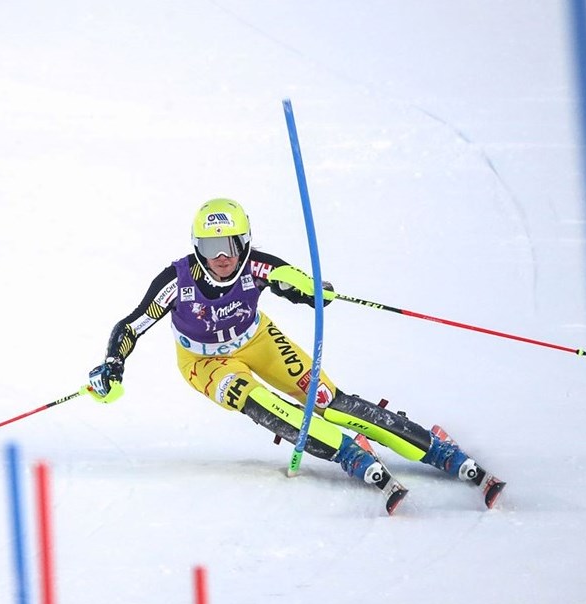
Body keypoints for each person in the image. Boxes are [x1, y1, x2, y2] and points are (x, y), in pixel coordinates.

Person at [87, 198, 505, 514]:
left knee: (326, 401)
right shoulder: (178, 280)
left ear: (245, 243)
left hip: (258, 339)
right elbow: (132, 325)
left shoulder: (257, 266)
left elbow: (295, 284)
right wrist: (113, 364)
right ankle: (348, 454)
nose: (221, 257)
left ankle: (436, 450)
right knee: (257, 400)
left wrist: (313, 291)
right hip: (204, 362)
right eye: (210, 246)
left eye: (230, 245)